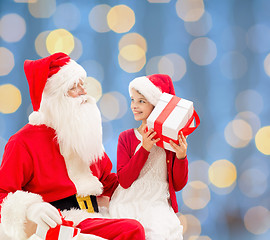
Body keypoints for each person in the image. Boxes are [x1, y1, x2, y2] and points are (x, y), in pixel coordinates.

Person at [0, 52, 145, 240]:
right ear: (55, 96)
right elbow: (3, 192)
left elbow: (108, 181)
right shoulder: (23, 142)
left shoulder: (83, 133)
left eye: (82, 85)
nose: (84, 92)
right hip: (63, 222)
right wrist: (31, 208)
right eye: (73, 87)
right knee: (131, 230)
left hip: (95, 215)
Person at [109, 74, 188, 240]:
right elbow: (124, 180)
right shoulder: (126, 137)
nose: (134, 106)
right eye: (132, 100)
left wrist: (181, 157)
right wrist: (144, 148)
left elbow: (178, 184)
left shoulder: (170, 142)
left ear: (157, 106)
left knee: (160, 233)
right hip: (129, 201)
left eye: (141, 101)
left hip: (158, 203)